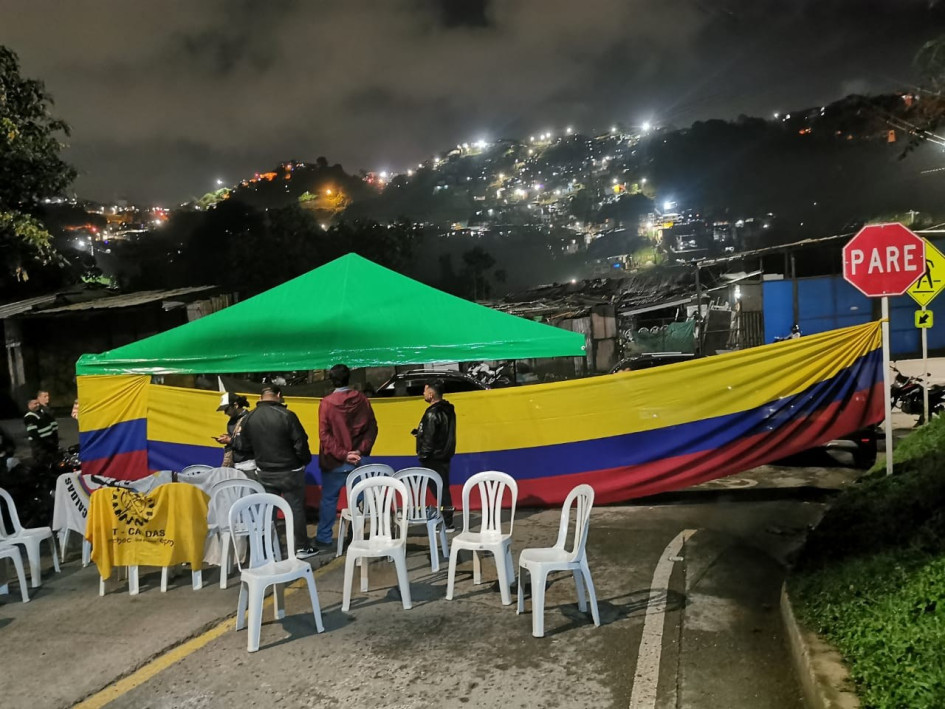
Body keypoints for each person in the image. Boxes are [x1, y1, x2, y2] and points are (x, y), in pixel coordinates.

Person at [232, 385, 316, 558]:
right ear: (278, 395)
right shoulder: (287, 415)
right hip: (290, 471)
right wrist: (303, 461)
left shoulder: (250, 418)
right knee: (296, 509)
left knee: (268, 511)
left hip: (264, 471)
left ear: (261, 397)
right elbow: (300, 442)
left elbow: (245, 445)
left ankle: (268, 549)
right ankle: (301, 548)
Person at [316, 364, 378, 550]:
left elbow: (324, 435)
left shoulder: (326, 403)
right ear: (349, 378)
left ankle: (324, 538)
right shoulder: (362, 399)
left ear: (331, 380)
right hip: (359, 460)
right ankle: (356, 534)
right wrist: (359, 450)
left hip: (334, 461)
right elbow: (372, 428)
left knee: (328, 500)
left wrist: (343, 454)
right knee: (362, 501)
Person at [412, 379, 457, 531]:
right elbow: (440, 433)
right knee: (443, 488)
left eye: (425, 391)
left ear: (431, 394)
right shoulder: (448, 409)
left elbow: (430, 438)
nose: (423, 393)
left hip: (433, 457)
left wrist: (423, 455)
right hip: (444, 455)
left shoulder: (432, 413)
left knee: (439, 489)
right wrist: (420, 434)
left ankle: (447, 522)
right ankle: (447, 520)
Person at [213, 392, 252, 469]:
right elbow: (236, 439)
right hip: (235, 463)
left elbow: (251, 443)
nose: (225, 413)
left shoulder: (249, 419)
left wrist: (230, 440)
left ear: (236, 405)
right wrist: (227, 438)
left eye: (226, 409)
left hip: (249, 464)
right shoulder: (231, 422)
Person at [24, 390, 59, 468]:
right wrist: (46, 444)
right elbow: (34, 434)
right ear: (29, 405)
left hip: (49, 443)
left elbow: (52, 426)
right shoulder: (30, 416)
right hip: (40, 446)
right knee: (42, 464)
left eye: (37, 403)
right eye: (34, 404)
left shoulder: (42, 412)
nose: (37, 405)